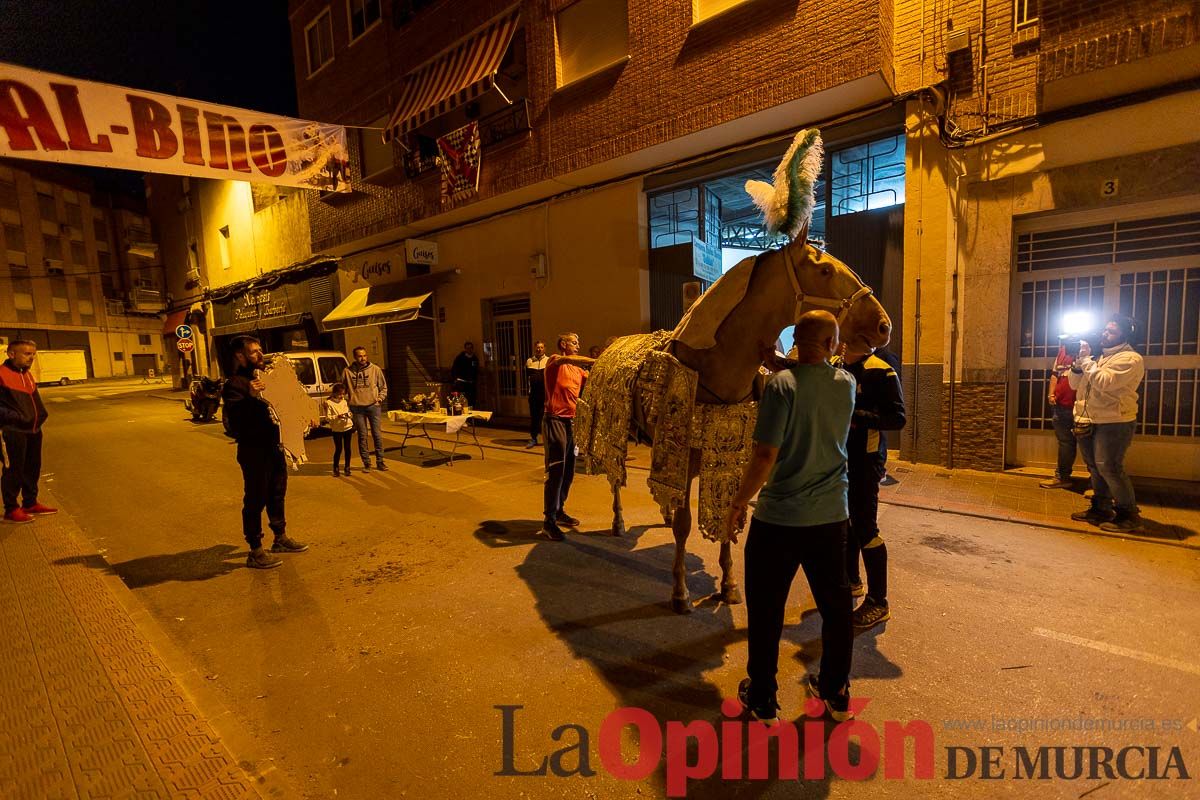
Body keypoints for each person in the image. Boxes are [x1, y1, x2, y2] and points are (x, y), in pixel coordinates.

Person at [725, 311, 855, 724]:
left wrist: (738, 502)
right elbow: (820, 374)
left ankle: (763, 696)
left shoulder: (779, 387)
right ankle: (835, 692)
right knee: (836, 608)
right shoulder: (848, 385)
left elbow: (765, 454)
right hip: (831, 517)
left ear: (794, 339)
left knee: (766, 610)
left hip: (779, 520)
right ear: (834, 346)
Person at [221, 336, 309, 569]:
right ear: (240, 356)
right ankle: (255, 549)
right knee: (255, 498)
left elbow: (284, 408)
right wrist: (250, 397)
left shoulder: (267, 378)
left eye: (261, 350)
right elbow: (235, 421)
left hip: (274, 447)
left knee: (277, 493)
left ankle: (280, 538)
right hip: (253, 450)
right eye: (253, 352)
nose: (260, 355)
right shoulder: (235, 384)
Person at [840, 345, 905, 631]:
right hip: (839, 457)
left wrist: (856, 416)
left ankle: (879, 602)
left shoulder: (880, 368)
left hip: (866, 461)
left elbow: (897, 419)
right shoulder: (835, 364)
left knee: (866, 528)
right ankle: (851, 581)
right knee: (847, 522)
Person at [1067, 314, 1146, 533]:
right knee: (1094, 468)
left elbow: (1104, 382)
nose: (1104, 333)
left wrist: (1086, 361)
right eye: (1105, 329)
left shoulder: (1131, 359)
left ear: (1126, 334)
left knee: (1110, 468)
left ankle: (1128, 515)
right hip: (1089, 418)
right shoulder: (1098, 358)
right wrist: (1077, 363)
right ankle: (1100, 508)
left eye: (1111, 331)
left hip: (1114, 421)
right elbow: (1074, 384)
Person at [541, 332, 596, 540]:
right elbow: (570, 359)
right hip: (554, 420)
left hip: (571, 422)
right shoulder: (556, 361)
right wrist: (595, 360)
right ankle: (549, 521)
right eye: (574, 342)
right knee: (556, 470)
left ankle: (559, 509)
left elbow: (595, 379)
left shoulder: (577, 370)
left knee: (569, 471)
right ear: (563, 344)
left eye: (578, 342)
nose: (577, 345)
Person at [0, 340, 56, 524]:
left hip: (33, 430)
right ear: (11, 354)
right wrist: (17, 418)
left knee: (32, 467)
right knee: (14, 470)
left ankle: (30, 502)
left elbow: (34, 401)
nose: (31, 358)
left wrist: (40, 416)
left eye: (33, 354)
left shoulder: (27, 375)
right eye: (26, 354)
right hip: (12, 431)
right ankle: (11, 509)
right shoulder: (1, 374)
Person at [1040, 337, 1079, 489]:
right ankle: (1062, 477)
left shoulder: (1091, 349)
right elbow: (1055, 374)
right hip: (1060, 405)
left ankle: (1097, 485)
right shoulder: (1063, 349)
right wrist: (1051, 394)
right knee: (1065, 443)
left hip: (1083, 407)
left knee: (1090, 445)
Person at [343, 347, 389, 472]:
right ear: (354, 357)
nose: (362, 358)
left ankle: (380, 461)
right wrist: (348, 400)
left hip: (373, 406)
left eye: (364, 355)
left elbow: (383, 387)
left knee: (377, 434)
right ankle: (366, 463)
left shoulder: (375, 369)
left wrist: (379, 399)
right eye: (359, 356)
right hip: (357, 407)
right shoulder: (347, 371)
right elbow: (344, 389)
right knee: (362, 436)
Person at [322, 383, 355, 477]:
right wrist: (337, 416)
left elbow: (349, 411)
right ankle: (335, 468)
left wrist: (349, 414)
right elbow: (327, 418)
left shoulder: (344, 401)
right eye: (340, 394)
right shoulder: (329, 403)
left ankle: (347, 467)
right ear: (335, 393)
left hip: (347, 426)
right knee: (338, 449)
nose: (342, 396)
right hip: (337, 429)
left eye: (343, 394)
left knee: (348, 448)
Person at [525, 341, 548, 448]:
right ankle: (533, 438)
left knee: (545, 417)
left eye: (541, 347)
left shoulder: (548, 361)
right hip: (534, 394)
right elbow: (527, 378)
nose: (539, 349)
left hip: (545, 394)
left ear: (544, 349)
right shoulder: (529, 361)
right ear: (535, 348)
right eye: (537, 347)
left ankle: (547, 439)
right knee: (534, 417)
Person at [451, 341, 480, 408]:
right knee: (463, 399)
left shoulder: (474, 359)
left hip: (471, 383)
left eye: (470, 348)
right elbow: (454, 369)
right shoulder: (460, 358)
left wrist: (474, 380)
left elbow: (475, 370)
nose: (469, 350)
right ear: (465, 349)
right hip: (462, 383)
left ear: (472, 349)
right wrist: (456, 378)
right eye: (467, 348)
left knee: (472, 400)